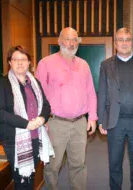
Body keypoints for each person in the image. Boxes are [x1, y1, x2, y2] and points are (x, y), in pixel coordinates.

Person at [35, 27, 97, 190]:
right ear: (59, 41)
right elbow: (37, 95)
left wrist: (92, 117)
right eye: (67, 39)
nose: (71, 43)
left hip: (79, 124)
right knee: (52, 167)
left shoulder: (84, 65)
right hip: (55, 124)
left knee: (79, 165)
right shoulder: (45, 63)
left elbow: (91, 92)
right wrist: (42, 119)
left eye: (74, 39)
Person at [98, 27, 133, 190]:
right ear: (115, 43)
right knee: (114, 163)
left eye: (127, 39)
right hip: (115, 122)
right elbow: (101, 93)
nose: (124, 43)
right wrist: (101, 120)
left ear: (132, 42)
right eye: (121, 40)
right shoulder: (106, 65)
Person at [0, 45, 54, 190]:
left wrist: (41, 119)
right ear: (9, 62)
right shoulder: (2, 84)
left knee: (31, 176)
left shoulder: (35, 83)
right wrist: (26, 124)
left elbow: (46, 106)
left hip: (35, 136)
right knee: (21, 179)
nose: (20, 63)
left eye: (23, 59)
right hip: (13, 139)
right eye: (15, 59)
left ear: (29, 62)